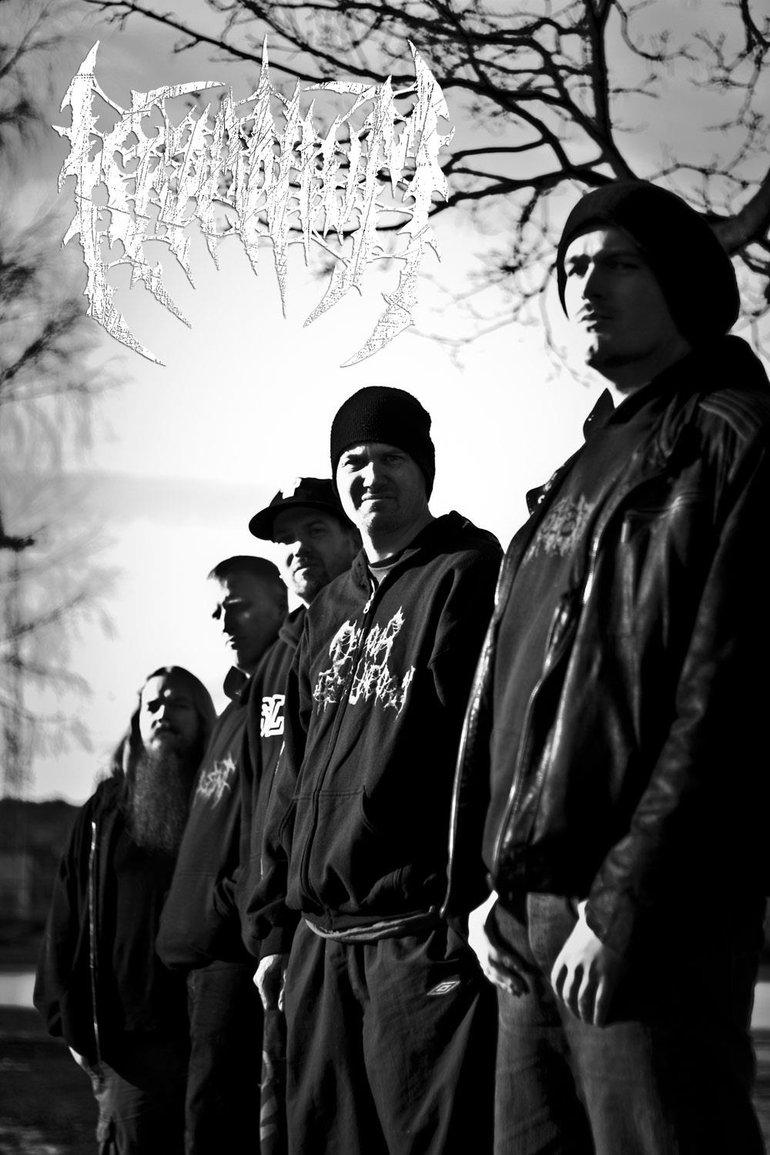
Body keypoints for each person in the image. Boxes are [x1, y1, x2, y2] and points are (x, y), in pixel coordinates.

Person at [455, 180, 770, 1153]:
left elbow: (730, 702)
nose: (587, 285)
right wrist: (486, 887)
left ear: (681, 282)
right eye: (573, 267)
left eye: (619, 263)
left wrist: (628, 902)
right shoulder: (571, 476)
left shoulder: (731, 438)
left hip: (648, 918)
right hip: (524, 923)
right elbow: (517, 698)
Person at [251, 386, 502, 1154]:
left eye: (391, 457)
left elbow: (492, 746)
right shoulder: (325, 612)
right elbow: (290, 780)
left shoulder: (466, 573)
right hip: (319, 943)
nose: (370, 475)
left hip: (417, 934)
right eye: (354, 461)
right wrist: (274, 929)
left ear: (424, 469)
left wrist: (483, 894)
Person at [35, 666, 216, 1155]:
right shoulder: (104, 811)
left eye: (178, 703)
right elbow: (66, 918)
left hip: (213, 1031)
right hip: (131, 1043)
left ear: (203, 718)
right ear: (137, 720)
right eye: (151, 704)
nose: (162, 713)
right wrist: (68, 1021)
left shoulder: (223, 802)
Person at [238, 477, 360, 1150]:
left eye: (315, 530)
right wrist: (267, 927)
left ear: (352, 535)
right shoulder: (283, 657)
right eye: (285, 538)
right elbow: (275, 803)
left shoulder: (376, 628)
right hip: (293, 931)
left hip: (372, 924)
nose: (297, 548)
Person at [155, 556, 286, 1154]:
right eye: (216, 611)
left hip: (235, 958)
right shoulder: (235, 709)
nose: (224, 621)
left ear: (280, 600)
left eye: (237, 605)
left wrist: (227, 906)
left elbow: (273, 819)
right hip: (198, 968)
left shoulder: (279, 695)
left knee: (219, 1131)